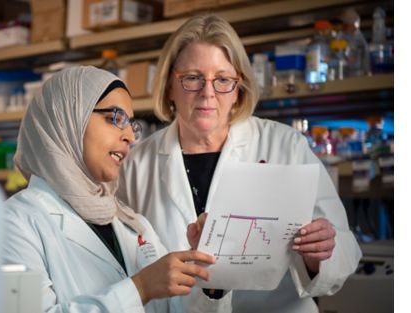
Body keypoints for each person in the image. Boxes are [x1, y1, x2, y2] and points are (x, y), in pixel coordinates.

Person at [117, 14, 362, 313]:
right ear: (169, 85)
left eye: (222, 79)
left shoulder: (285, 146)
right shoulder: (136, 165)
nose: (208, 93)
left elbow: (345, 249)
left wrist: (318, 255)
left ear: (238, 89)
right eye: (193, 78)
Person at [2, 65, 232, 313]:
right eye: (115, 118)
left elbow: (173, 308)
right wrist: (140, 289)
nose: (131, 138)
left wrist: (205, 273)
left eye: (131, 125)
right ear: (68, 119)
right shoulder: (13, 222)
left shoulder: (131, 224)